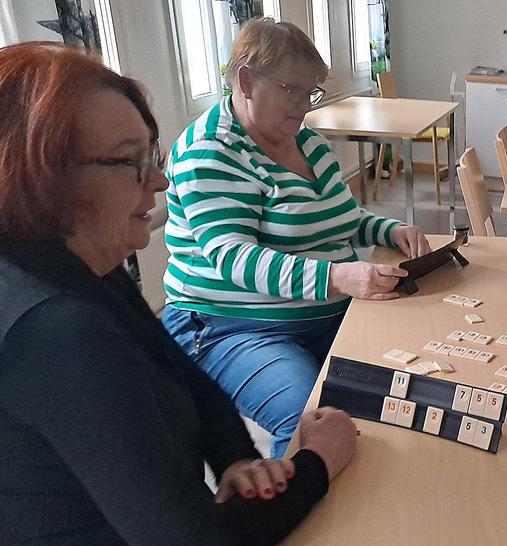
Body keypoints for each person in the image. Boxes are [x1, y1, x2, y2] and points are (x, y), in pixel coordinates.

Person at [0, 42, 358, 546]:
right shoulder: (55, 329)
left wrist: (237, 457)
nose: (160, 179)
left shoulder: (83, 267)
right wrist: (317, 463)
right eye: (130, 161)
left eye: (151, 156)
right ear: (42, 175)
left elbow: (182, 372)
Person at [161, 19, 430, 458]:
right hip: (230, 326)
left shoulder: (308, 143)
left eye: (311, 93)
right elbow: (234, 257)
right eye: (293, 91)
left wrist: (389, 229)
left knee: (408, 388)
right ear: (245, 81)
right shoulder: (209, 151)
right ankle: (296, 497)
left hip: (321, 315)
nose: (304, 106)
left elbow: (343, 217)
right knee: (312, 421)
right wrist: (338, 277)